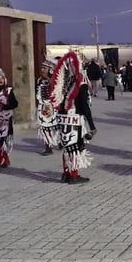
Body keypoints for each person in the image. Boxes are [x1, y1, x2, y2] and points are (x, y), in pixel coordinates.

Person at [50, 51, 96, 184]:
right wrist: (91, 126)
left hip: (63, 119)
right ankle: (74, 175)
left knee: (67, 147)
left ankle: (66, 173)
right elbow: (84, 105)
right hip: (75, 118)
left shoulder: (63, 82)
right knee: (75, 147)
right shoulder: (79, 82)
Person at [35, 60, 58, 155]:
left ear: (50, 70)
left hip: (52, 106)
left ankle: (57, 142)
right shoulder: (39, 80)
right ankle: (48, 146)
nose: (42, 70)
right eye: (42, 68)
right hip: (42, 105)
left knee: (53, 127)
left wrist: (48, 78)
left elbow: (55, 88)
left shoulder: (54, 79)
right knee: (44, 127)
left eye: (44, 68)